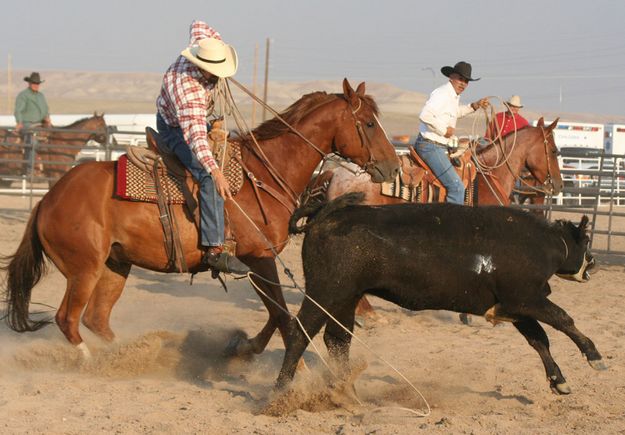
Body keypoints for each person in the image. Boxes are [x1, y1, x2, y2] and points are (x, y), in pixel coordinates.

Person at [155, 20, 249, 275]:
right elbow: (195, 137)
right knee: (208, 177)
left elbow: (198, 24)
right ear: (202, 67)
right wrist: (216, 172)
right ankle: (214, 248)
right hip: (174, 129)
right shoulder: (189, 93)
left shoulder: (199, 46)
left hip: (190, 120)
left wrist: (217, 45)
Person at [415, 61, 489, 204]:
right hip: (430, 146)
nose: (463, 84)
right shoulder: (442, 93)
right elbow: (425, 115)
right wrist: (443, 130)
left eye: (466, 81)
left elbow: (455, 112)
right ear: (451, 77)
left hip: (438, 146)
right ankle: (452, 223)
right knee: (457, 187)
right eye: (460, 79)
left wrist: (474, 106)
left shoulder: (452, 96)